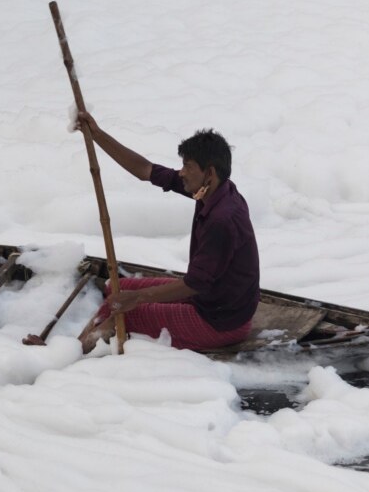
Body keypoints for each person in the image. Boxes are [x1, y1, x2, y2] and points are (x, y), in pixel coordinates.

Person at [76, 112, 259, 354]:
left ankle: (72, 354)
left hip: (221, 321)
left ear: (209, 173)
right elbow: (145, 170)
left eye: (188, 166)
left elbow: (193, 284)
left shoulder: (222, 219)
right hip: (209, 298)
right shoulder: (213, 191)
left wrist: (138, 298)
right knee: (117, 289)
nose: (181, 172)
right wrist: (97, 135)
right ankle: (78, 342)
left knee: (127, 313)